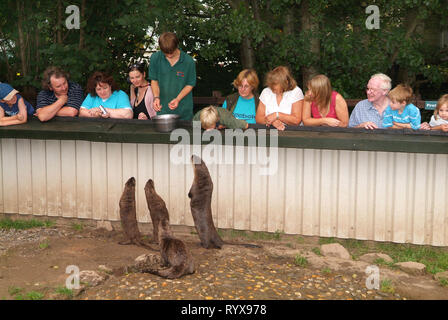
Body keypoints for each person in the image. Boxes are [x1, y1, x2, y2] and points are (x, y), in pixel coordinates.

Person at [149, 32, 196, 120]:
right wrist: (156, 97)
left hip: (184, 111)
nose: (169, 55)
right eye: (166, 53)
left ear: (177, 46)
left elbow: (190, 84)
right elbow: (154, 81)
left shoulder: (188, 61)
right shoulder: (155, 58)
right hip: (163, 110)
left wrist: (178, 99)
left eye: (172, 52)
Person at [255, 66, 303, 131]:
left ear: (286, 82)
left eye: (275, 84)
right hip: (269, 133)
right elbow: (258, 118)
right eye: (271, 83)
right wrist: (272, 122)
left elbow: (296, 120)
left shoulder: (296, 92)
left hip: (292, 133)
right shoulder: (266, 92)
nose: (272, 87)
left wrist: (277, 115)